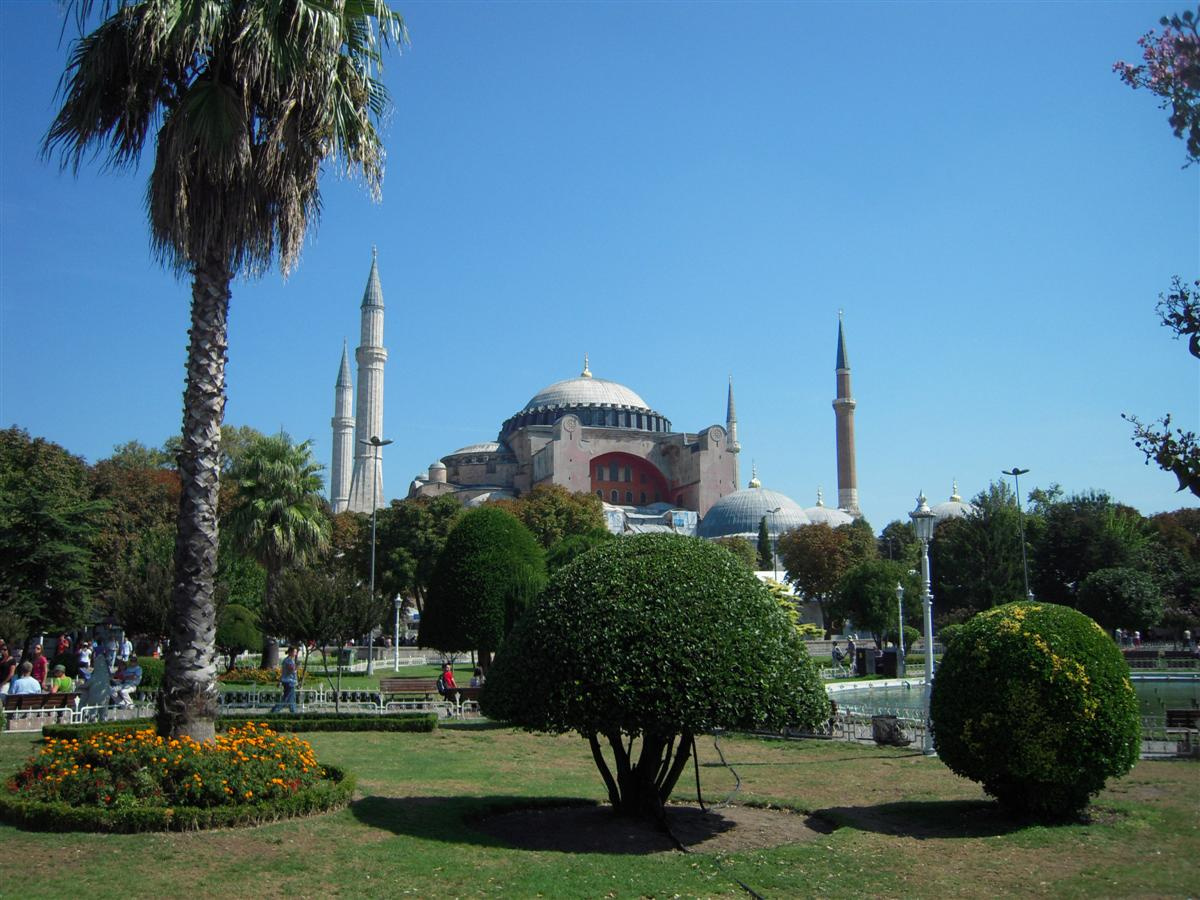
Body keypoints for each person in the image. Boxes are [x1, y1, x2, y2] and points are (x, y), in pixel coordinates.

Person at [270, 646, 300, 714]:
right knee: (286, 699)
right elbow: (291, 670)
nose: (295, 653)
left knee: (292, 699)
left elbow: (284, 672)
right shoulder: (288, 660)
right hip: (289, 682)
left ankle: (293, 712)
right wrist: (297, 666)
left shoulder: (288, 660)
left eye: (296, 652)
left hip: (289, 681)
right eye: (294, 652)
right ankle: (274, 711)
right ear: (290, 652)